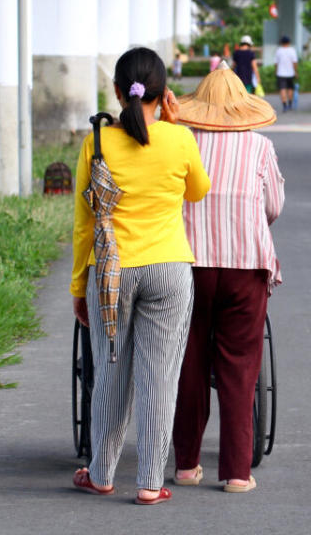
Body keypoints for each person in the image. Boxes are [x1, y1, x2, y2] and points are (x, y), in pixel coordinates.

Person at [71, 47, 211, 506]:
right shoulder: (178, 139)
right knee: (159, 377)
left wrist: (79, 286)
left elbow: (84, 223)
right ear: (163, 93)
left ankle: (102, 474)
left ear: (116, 90)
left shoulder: (98, 140)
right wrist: (176, 125)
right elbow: (199, 191)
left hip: (111, 271)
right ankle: (151, 482)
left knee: (111, 372)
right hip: (170, 269)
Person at [171, 62, 284, 493]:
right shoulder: (259, 146)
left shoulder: (182, 142)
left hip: (188, 265)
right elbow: (273, 206)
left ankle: (185, 465)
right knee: (239, 367)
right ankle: (237, 473)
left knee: (190, 362)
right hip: (245, 266)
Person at [275, 36, 298, 112]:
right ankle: (290, 104)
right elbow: (294, 62)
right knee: (290, 89)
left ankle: (284, 106)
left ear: (281, 43)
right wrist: (295, 71)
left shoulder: (279, 51)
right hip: (290, 73)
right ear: (289, 42)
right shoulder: (292, 50)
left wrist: (276, 71)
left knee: (282, 89)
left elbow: (276, 63)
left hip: (280, 73)